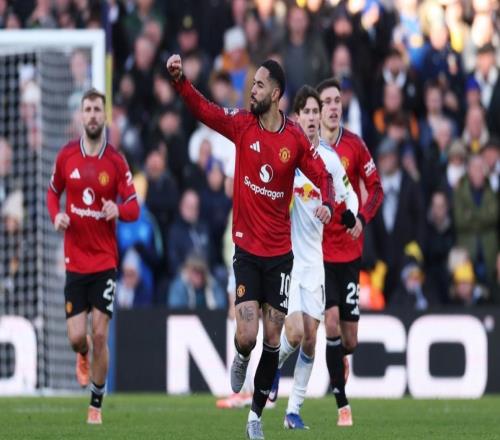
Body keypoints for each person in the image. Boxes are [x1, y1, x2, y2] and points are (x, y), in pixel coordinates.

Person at [167, 54, 336, 440]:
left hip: (279, 257)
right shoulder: (242, 125)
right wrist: (180, 81)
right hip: (246, 252)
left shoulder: (294, 138)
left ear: (275, 94)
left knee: (273, 340)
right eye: (253, 83)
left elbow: (322, 174)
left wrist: (327, 201)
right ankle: (241, 356)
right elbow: (204, 110)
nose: (252, 90)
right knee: (247, 335)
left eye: (259, 85)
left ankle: (255, 417)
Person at [46, 88, 139, 425]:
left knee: (100, 334)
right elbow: (52, 193)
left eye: (98, 110)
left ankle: (95, 404)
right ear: (81, 116)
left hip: (104, 262)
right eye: (87, 110)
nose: (92, 115)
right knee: (77, 338)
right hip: (74, 261)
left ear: (105, 115)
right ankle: (82, 353)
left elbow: (134, 206)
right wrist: (56, 215)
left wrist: (118, 209)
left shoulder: (115, 161)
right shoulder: (66, 156)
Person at [268, 85, 358, 430]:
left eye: (314, 111)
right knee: (293, 333)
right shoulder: (286, 154)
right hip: (287, 260)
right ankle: (272, 368)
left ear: (320, 117)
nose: (310, 117)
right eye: (304, 111)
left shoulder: (330, 161)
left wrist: (346, 213)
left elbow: (349, 195)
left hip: (315, 261)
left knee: (310, 338)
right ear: (296, 117)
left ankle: (293, 411)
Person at [318, 78, 383, 426]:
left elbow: (376, 189)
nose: (333, 107)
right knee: (329, 320)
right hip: (319, 252)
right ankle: (342, 404)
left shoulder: (355, 146)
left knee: (350, 340)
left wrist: (362, 218)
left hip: (349, 252)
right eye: (326, 102)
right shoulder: (308, 148)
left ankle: (339, 356)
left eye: (336, 101)